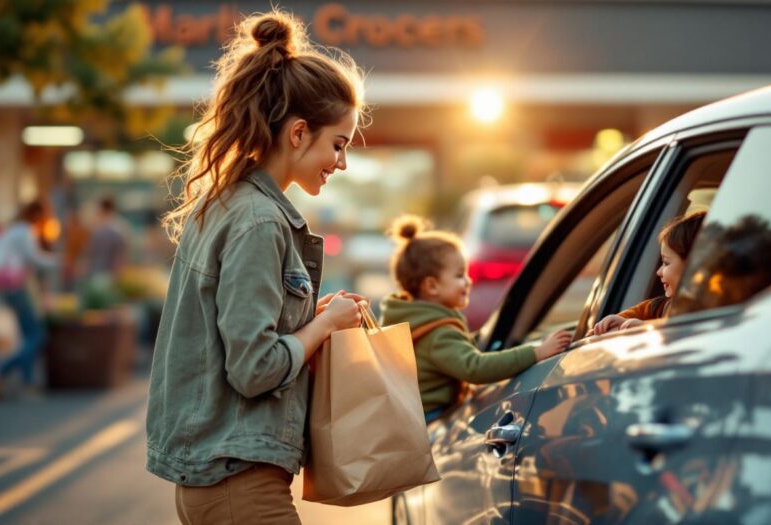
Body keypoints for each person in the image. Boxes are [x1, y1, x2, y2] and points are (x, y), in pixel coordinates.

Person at [145, 10, 368, 524]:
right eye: (338, 144)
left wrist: (315, 317)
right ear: (297, 132)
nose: (342, 163)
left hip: (227, 478)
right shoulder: (259, 221)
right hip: (238, 484)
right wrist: (324, 325)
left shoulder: (230, 204)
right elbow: (254, 369)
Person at [379, 215, 572, 423]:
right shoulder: (439, 334)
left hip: (409, 416)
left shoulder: (410, 319)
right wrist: (536, 353)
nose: (468, 282)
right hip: (428, 420)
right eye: (460, 275)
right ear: (432, 286)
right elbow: (475, 367)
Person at [0, 202, 58, 399]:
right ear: (37, 215)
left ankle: (28, 382)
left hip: (7, 285)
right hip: (15, 286)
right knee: (37, 335)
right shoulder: (24, 231)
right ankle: (0, 373)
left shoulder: (13, 229)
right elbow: (34, 258)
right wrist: (58, 261)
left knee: (28, 334)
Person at [589, 211, 706, 336]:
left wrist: (646, 328)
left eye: (666, 263)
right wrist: (612, 323)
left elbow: (686, 333)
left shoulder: (712, 310)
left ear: (693, 268)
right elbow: (598, 333)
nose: (658, 272)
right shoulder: (657, 307)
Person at [86, 196, 127, 277]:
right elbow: (122, 255)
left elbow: (90, 252)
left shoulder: (97, 228)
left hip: (98, 272)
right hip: (114, 273)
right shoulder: (121, 226)